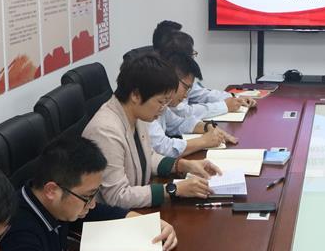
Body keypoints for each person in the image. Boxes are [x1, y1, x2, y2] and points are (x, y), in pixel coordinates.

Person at [0, 136, 178, 251]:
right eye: (87, 197)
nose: (92, 203)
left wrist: (151, 224)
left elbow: (99, 212)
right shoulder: (16, 228)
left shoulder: (54, 202)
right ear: (51, 191)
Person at [83, 52, 222, 209]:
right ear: (136, 95)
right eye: (161, 102)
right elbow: (118, 196)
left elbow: (149, 157)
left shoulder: (137, 113)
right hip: (114, 217)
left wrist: (183, 165)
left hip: (137, 206)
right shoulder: (106, 131)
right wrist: (173, 189)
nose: (163, 109)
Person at [144, 49, 237, 158]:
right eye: (186, 88)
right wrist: (203, 141)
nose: (186, 96)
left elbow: (178, 123)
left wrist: (207, 127)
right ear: (172, 78)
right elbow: (163, 147)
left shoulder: (164, 106)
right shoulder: (146, 105)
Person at [161, 30, 255, 118]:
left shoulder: (183, 79)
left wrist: (235, 98)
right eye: (192, 54)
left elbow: (203, 94)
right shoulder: (167, 83)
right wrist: (225, 106)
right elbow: (183, 112)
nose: (193, 59)